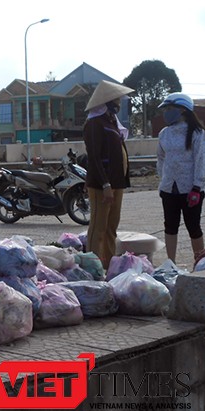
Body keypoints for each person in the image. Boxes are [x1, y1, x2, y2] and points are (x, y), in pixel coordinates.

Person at [82, 80, 134, 269]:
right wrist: (105, 185)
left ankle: (109, 265)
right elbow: (94, 157)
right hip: (101, 185)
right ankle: (93, 267)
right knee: (99, 227)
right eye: (116, 101)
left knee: (111, 227)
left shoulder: (112, 123)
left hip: (117, 182)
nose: (118, 105)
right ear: (107, 102)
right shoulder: (94, 123)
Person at [156, 92, 205, 265]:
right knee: (170, 227)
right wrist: (162, 181)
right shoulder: (164, 133)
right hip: (169, 188)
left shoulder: (197, 133)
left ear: (183, 110)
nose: (167, 113)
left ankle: (199, 263)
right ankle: (171, 263)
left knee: (193, 226)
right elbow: (161, 158)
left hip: (190, 189)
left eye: (170, 109)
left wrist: (197, 187)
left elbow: (201, 160)